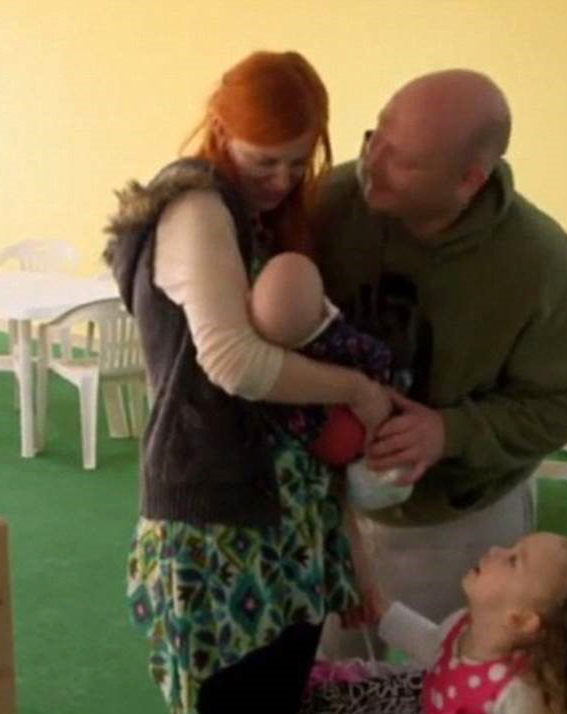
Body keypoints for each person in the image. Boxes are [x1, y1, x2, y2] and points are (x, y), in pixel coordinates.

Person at [103, 50, 391, 714]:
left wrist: (345, 541)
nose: (284, 179)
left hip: (285, 518)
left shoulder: (256, 215)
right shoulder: (196, 205)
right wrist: (357, 390)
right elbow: (233, 363)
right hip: (218, 522)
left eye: (300, 160)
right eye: (265, 161)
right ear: (221, 129)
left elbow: (293, 422)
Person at [315, 69, 567, 656]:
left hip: (456, 525)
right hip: (324, 508)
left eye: (404, 162)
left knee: (454, 680)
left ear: (469, 180)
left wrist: (449, 431)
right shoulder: (329, 204)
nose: (372, 163)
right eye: (375, 138)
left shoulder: (541, 262)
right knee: (320, 676)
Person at [303, 532, 567, 714]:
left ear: (521, 618)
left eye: (513, 561)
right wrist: (383, 613)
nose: (495, 550)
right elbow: (432, 644)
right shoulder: (462, 626)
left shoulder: (519, 697)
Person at [248, 250, 413, 510]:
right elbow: (383, 367)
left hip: (334, 447)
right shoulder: (348, 342)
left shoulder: (288, 359)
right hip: (348, 445)